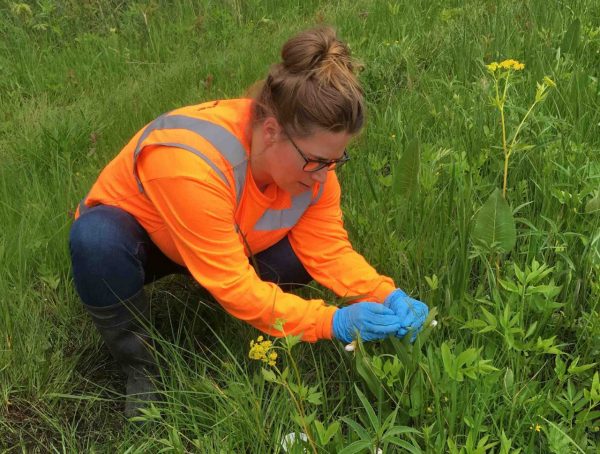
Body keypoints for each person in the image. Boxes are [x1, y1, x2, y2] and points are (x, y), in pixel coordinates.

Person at [69, 26, 429, 417]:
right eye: (316, 162)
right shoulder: (191, 165)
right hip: (148, 240)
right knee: (96, 240)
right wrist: (331, 322)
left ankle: (223, 304)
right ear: (272, 132)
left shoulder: (311, 168)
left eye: (335, 161)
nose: (324, 176)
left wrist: (383, 293)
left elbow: (328, 251)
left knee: (298, 259)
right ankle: (140, 367)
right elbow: (235, 284)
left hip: (224, 239)